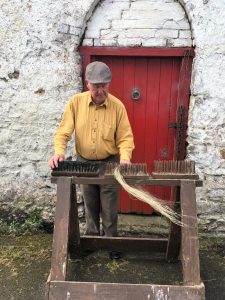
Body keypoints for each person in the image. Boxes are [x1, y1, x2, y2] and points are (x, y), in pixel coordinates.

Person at [48, 61, 134, 256]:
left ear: (109, 85)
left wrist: (125, 158)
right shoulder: (76, 103)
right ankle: (92, 240)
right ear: (88, 84)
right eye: (96, 86)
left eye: (104, 86)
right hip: (84, 163)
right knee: (90, 204)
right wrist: (59, 152)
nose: (100, 90)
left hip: (109, 163)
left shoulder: (118, 107)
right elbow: (63, 132)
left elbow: (125, 137)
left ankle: (111, 243)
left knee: (110, 207)